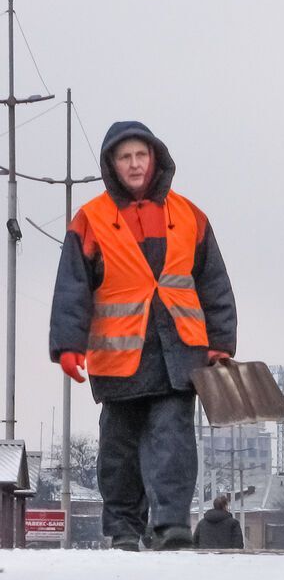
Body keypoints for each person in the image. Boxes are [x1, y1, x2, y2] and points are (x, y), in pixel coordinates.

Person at [49, 121, 237, 552]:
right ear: (112, 165)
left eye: (141, 155)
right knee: (119, 450)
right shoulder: (91, 220)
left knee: (173, 442)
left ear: (155, 160)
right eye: (125, 157)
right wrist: (68, 346)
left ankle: (171, 525)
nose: (134, 164)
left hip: (179, 354)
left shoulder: (190, 216)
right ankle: (123, 529)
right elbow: (72, 287)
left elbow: (214, 284)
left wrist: (221, 342)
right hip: (119, 358)